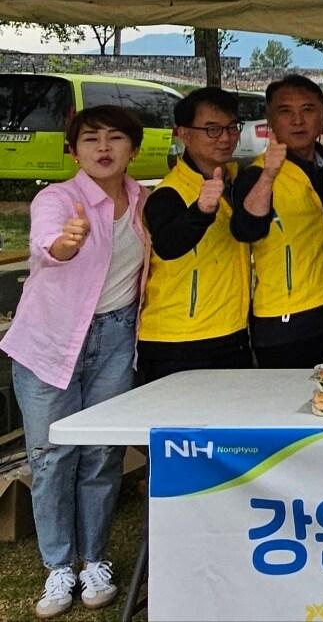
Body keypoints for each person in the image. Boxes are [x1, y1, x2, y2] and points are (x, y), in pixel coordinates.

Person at [1, 107, 147, 616]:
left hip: (114, 339)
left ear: (134, 148)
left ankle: (95, 559)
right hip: (49, 341)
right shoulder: (58, 198)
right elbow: (48, 241)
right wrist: (63, 244)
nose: (103, 148)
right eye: (90, 140)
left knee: (102, 452)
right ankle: (59, 567)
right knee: (52, 456)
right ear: (73, 151)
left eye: (115, 138)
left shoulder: (144, 200)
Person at [230, 74, 323, 368]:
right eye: (286, 112)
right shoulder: (256, 175)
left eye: (307, 110)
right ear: (270, 120)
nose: (298, 121)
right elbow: (246, 229)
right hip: (284, 320)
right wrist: (269, 175)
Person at [138, 86, 251, 381]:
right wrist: (201, 211)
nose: (225, 138)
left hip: (232, 333)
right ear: (183, 134)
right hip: (178, 341)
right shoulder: (168, 193)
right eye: (212, 129)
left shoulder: (236, 181)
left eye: (231, 127)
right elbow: (168, 244)